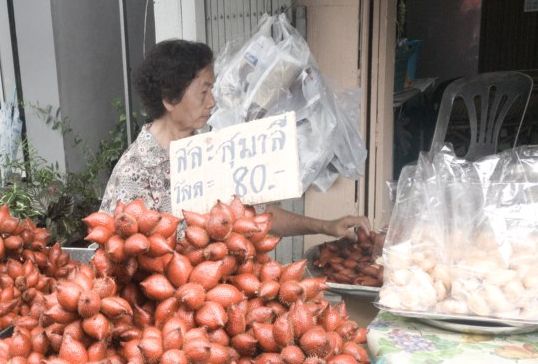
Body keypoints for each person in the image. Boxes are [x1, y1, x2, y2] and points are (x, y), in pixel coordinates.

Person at [100, 39, 370, 239]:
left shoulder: (211, 152)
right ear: (170, 99)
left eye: (212, 90)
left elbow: (254, 214)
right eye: (204, 91)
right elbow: (122, 259)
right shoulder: (134, 172)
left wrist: (327, 226)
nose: (213, 102)